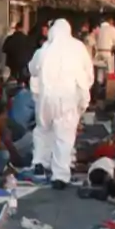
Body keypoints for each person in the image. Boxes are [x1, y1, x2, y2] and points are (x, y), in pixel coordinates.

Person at [27, 19, 93, 189]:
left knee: (43, 130)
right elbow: (88, 73)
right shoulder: (78, 47)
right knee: (64, 138)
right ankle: (60, 176)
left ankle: (39, 163)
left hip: (46, 98)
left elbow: (32, 69)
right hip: (68, 99)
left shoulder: (45, 49)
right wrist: (83, 98)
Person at [92, 16, 115, 91]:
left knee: (99, 73)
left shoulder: (98, 29)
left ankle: (97, 92)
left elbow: (94, 41)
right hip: (107, 52)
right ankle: (107, 92)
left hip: (98, 53)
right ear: (110, 21)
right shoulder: (112, 29)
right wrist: (114, 48)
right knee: (110, 72)